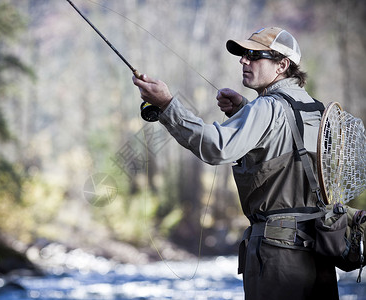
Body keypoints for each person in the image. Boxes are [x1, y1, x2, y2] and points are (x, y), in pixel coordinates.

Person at [132, 27, 339, 300]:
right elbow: (288, 153)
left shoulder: (267, 108)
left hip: (279, 257)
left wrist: (168, 105)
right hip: (321, 254)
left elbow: (217, 147)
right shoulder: (317, 109)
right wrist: (244, 110)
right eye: (243, 54)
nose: (244, 60)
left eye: (254, 55)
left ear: (282, 65)